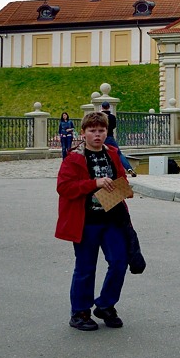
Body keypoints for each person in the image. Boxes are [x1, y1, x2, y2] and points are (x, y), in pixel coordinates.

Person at [55, 112, 132, 331]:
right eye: (92, 131)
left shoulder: (112, 153)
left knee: (119, 261)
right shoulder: (74, 157)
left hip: (112, 218)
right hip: (86, 221)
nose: (97, 135)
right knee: (86, 268)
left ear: (107, 132)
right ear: (83, 133)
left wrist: (123, 189)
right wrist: (93, 183)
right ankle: (79, 312)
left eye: (101, 131)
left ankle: (106, 305)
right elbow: (64, 187)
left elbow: (121, 178)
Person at [101, 102, 135, 177]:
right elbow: (114, 126)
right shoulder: (112, 117)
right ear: (109, 107)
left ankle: (105, 172)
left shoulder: (99, 117)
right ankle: (129, 168)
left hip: (101, 138)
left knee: (101, 154)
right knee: (118, 154)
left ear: (102, 107)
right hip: (110, 137)